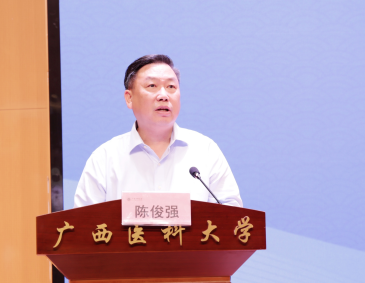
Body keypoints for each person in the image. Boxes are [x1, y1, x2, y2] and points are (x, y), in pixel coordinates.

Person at [74, 54, 242, 208]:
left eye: (171, 86)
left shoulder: (205, 151)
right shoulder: (105, 158)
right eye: (152, 85)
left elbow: (233, 217)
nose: (163, 95)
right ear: (129, 98)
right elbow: (83, 223)